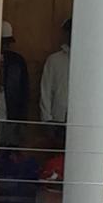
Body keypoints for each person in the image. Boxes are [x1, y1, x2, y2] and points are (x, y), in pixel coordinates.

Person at [40, 18, 71, 148]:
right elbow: (45, 91)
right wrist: (47, 119)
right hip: (57, 120)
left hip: (83, 121)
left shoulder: (93, 61)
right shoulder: (54, 60)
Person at [0, 20, 28, 147]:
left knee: (10, 148)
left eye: (7, 43)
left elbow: (24, 92)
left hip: (12, 114)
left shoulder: (17, 62)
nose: (6, 47)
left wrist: (22, 121)